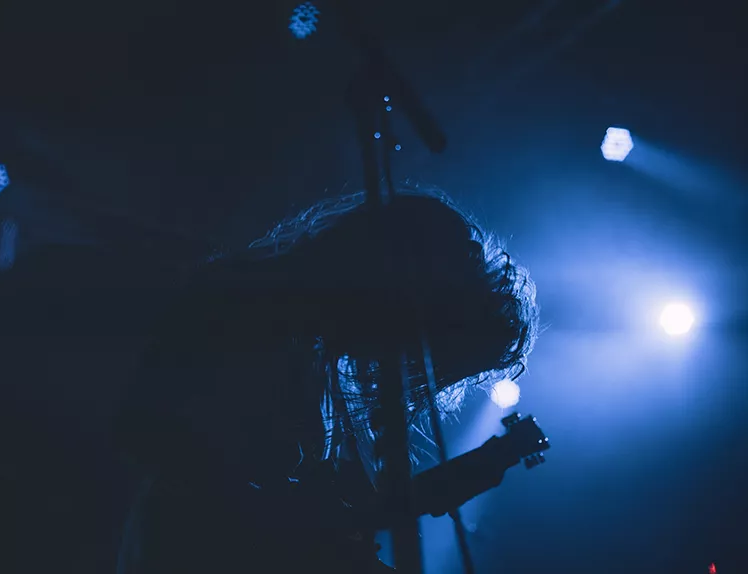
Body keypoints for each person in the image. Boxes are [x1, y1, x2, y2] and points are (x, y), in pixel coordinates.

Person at [113, 184, 539, 573]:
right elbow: (143, 429)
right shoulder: (243, 304)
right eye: (423, 333)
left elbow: (332, 519)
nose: (407, 354)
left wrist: (469, 473)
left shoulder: (325, 361)